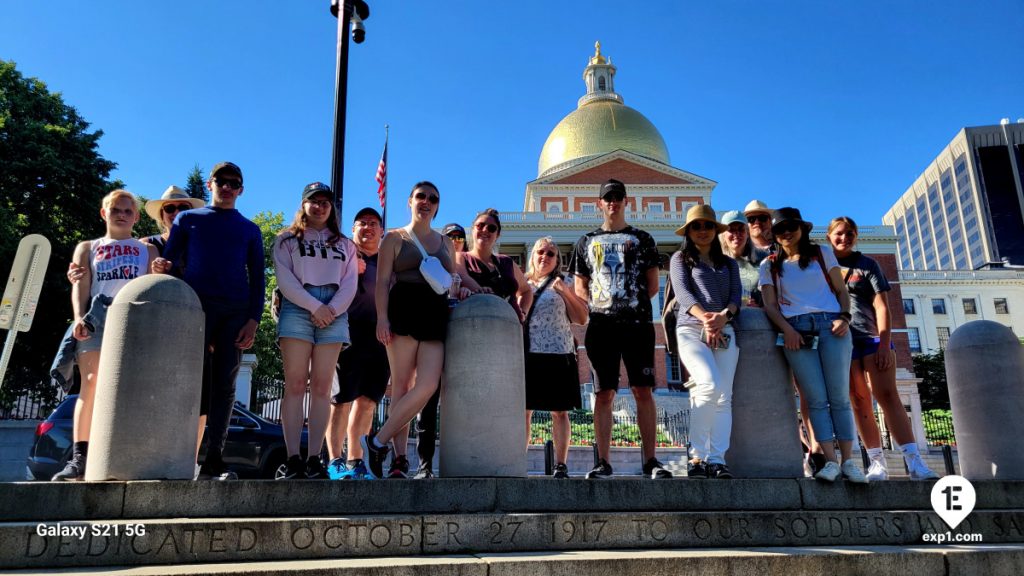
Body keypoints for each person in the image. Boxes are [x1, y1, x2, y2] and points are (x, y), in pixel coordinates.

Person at [154, 161, 265, 481]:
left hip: (234, 312)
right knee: (188, 381)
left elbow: (258, 279)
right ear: (209, 184)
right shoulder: (188, 219)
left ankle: (214, 457)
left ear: (241, 190)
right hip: (194, 308)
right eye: (221, 181)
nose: (227, 187)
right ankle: (176, 454)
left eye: (234, 183)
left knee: (225, 386)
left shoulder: (249, 229)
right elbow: (172, 264)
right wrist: (162, 266)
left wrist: (253, 320)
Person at [361, 181, 466, 480]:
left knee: (429, 385)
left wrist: (471, 290)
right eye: (421, 196)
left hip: (435, 313)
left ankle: (377, 441)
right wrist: (382, 318)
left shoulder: (446, 242)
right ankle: (400, 460)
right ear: (410, 201)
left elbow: (453, 279)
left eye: (433, 198)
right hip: (403, 309)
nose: (427, 201)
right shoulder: (394, 238)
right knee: (402, 387)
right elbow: (381, 283)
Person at [569, 178, 672, 480]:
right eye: (607, 197)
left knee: (643, 390)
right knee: (604, 393)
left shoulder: (643, 238)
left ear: (627, 202)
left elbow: (653, 286)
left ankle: (651, 461)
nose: (613, 202)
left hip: (638, 324)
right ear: (599, 203)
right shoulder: (585, 241)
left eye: (618, 197)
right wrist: (601, 302)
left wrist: (626, 301)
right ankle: (603, 462)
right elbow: (579, 285)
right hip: (601, 326)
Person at [52, 190, 157, 480]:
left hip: (133, 321)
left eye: (127, 210)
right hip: (98, 320)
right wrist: (78, 318)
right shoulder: (88, 247)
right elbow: (81, 286)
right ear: (104, 213)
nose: (121, 215)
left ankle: (123, 452)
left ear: (136, 216)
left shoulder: (146, 250)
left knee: (129, 388)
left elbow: (153, 286)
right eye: (115, 210)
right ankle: (79, 457)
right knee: (91, 382)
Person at [759, 207, 867, 483]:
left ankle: (850, 462)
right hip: (797, 331)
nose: (786, 233)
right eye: (780, 229)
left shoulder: (821, 253)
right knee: (815, 399)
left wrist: (845, 317)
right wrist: (788, 331)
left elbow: (842, 291)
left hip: (833, 326)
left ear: (802, 228)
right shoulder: (769, 264)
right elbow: (770, 306)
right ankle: (830, 461)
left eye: (791, 227)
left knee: (840, 397)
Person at [827, 216, 940, 481]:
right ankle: (877, 462)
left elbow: (881, 307)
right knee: (859, 400)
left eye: (850, 233)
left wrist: (883, 342)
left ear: (856, 236)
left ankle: (915, 463)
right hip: (843, 342)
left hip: (872, 339)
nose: (844, 238)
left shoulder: (867, 265)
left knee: (888, 395)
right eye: (839, 234)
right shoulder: (823, 267)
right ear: (830, 237)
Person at [272, 182, 358, 479]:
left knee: (322, 388)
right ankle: (293, 457)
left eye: (325, 201)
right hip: (299, 306)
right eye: (313, 201)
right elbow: (286, 281)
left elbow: (350, 283)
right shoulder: (286, 240)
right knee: (295, 385)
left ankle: (314, 458)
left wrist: (330, 309)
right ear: (303, 204)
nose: (320, 206)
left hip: (335, 309)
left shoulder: (346, 244)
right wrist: (313, 306)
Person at [670, 205, 741, 479]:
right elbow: (684, 295)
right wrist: (707, 319)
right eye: (696, 226)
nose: (702, 231)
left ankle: (717, 459)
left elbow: (736, 297)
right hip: (691, 330)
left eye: (708, 226)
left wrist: (723, 316)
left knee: (724, 397)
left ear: (715, 230)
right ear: (688, 231)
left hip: (725, 332)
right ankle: (696, 455)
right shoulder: (680, 259)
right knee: (709, 384)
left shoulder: (729, 263)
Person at [326, 207, 390, 480]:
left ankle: (356, 460)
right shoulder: (342, 255)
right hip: (347, 335)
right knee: (341, 400)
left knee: (367, 402)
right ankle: (333, 460)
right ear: (353, 230)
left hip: (380, 339)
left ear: (382, 232)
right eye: (362, 223)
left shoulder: (389, 263)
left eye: (373, 223)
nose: (368, 227)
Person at [523, 236, 588, 478]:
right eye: (541, 251)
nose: (545, 257)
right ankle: (520, 461)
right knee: (524, 411)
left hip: (559, 353)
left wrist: (565, 292)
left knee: (560, 412)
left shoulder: (566, 282)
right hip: (528, 354)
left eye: (551, 253)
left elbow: (581, 318)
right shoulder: (522, 282)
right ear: (532, 255)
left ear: (557, 259)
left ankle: (560, 464)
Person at [411, 221, 470, 479]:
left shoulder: (466, 270)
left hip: (460, 343)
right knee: (428, 402)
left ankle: (463, 460)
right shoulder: (431, 266)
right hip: (433, 336)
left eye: (459, 236)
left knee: (461, 403)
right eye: (449, 236)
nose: (455, 240)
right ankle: (425, 464)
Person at [457, 208, 533, 318]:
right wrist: (481, 292)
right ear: (472, 229)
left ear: (497, 235)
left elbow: (526, 291)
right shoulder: (461, 257)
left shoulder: (507, 262)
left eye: (491, 228)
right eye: (480, 226)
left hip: (511, 327)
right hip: (475, 325)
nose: (485, 230)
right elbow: (463, 276)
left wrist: (523, 312)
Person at [718, 210, 761, 307]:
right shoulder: (715, 262)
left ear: (747, 233)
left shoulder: (762, 259)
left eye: (741, 229)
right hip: (725, 316)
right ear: (723, 234)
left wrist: (761, 306)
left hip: (754, 314)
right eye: (731, 230)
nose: (736, 234)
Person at [743, 200, 775, 265]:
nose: (757, 222)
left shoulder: (782, 247)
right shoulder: (741, 250)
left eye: (762, 218)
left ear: (770, 222)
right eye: (751, 219)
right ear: (746, 225)